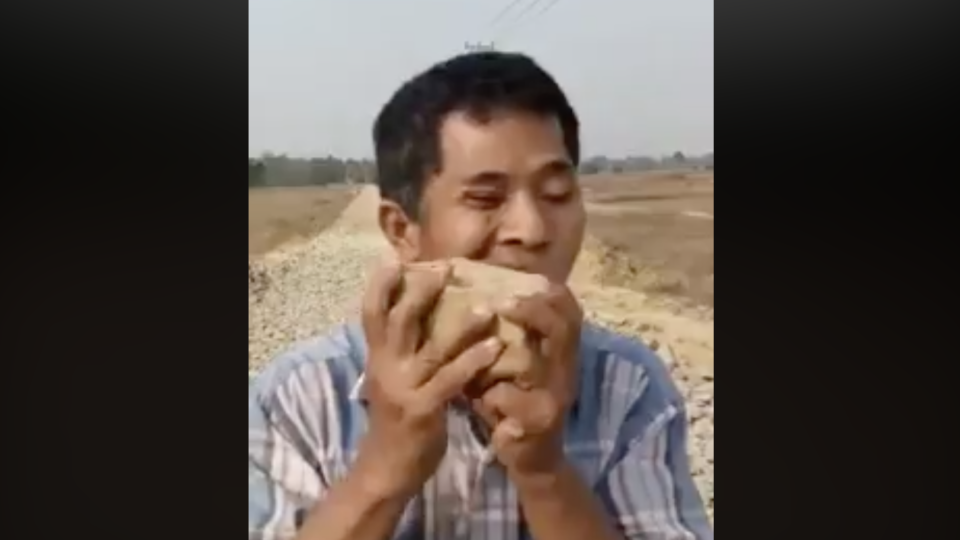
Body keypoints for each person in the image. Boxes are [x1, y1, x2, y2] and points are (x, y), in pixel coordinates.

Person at [248, 51, 713, 540]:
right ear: (402, 229)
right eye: (486, 199)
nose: (532, 231)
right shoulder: (298, 399)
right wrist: (384, 470)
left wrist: (545, 472)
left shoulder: (628, 389)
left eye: (556, 195)